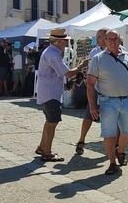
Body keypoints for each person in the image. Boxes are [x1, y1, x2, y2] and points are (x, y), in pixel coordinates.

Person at [87, 29, 128, 175]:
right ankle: (112, 162)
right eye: (109, 39)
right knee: (109, 133)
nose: (112, 41)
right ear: (104, 41)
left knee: (127, 131)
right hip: (107, 101)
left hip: (127, 100)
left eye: (115, 38)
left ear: (119, 40)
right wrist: (92, 106)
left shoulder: (127, 56)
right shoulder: (98, 59)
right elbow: (90, 83)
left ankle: (120, 151)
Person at [35, 28, 88, 162]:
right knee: (52, 122)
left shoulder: (51, 52)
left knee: (49, 122)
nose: (66, 43)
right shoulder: (53, 54)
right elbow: (68, 73)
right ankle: (47, 152)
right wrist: (81, 66)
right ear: (59, 41)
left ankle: (42, 147)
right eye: (65, 41)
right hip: (50, 93)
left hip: (48, 92)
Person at [75, 28, 108, 155]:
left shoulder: (115, 50)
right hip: (96, 89)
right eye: (97, 37)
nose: (97, 39)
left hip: (109, 91)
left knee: (110, 119)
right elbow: (89, 70)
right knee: (88, 115)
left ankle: (112, 146)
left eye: (98, 37)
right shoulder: (94, 52)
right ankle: (81, 141)